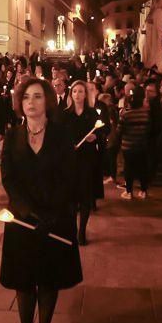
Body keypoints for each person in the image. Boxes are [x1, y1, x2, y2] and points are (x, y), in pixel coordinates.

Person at [0, 78, 81, 323]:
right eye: (25, 98)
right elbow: (8, 176)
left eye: (36, 97)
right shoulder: (12, 135)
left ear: (47, 101)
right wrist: (25, 210)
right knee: (23, 281)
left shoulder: (61, 134)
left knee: (48, 279)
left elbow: (69, 176)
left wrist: (51, 212)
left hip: (54, 217)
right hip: (22, 219)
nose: (31, 103)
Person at [61, 80, 101, 245]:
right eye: (75, 91)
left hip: (86, 159)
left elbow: (104, 130)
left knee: (85, 197)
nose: (78, 94)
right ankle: (70, 229)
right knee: (70, 198)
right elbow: (58, 134)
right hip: (70, 159)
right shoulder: (65, 114)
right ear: (71, 94)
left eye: (81, 91)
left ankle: (82, 231)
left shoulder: (92, 114)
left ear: (86, 94)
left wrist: (95, 136)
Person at [113, 88, 151, 200]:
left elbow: (119, 131)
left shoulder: (125, 114)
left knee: (129, 168)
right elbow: (148, 130)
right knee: (142, 168)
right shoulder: (145, 114)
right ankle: (143, 191)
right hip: (142, 145)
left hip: (128, 145)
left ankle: (129, 192)